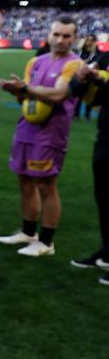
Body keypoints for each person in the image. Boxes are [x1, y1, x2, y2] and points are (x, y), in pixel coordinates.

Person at [0, 17, 82, 257]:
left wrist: (23, 89)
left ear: (74, 39)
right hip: (25, 129)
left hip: (51, 135)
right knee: (24, 180)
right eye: (57, 34)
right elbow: (25, 98)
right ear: (49, 35)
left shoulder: (74, 65)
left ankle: (46, 242)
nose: (61, 40)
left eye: (66, 36)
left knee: (46, 185)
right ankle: (28, 232)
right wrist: (16, 90)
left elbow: (57, 95)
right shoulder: (35, 62)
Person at [69, 47, 109, 284]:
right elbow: (78, 93)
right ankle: (106, 251)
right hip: (105, 139)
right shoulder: (104, 57)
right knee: (104, 199)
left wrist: (100, 80)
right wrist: (82, 79)